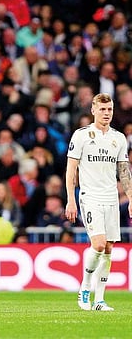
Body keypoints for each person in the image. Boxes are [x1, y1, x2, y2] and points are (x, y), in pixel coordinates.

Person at [65, 93, 132, 312]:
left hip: (111, 197)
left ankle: (100, 300)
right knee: (99, 244)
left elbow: (124, 171)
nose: (106, 113)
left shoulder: (119, 138)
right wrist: (70, 200)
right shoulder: (82, 135)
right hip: (89, 196)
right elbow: (71, 169)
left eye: (110, 109)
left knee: (109, 249)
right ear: (93, 110)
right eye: (102, 109)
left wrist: (131, 198)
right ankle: (85, 288)